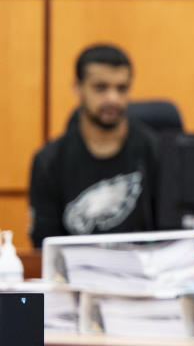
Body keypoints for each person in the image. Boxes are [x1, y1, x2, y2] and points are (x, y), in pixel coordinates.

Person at [28, 44, 160, 247]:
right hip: (73, 276)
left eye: (121, 88)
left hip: (146, 273)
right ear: (77, 87)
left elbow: (176, 236)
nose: (113, 98)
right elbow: (45, 246)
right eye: (101, 88)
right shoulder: (49, 160)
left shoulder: (156, 151)